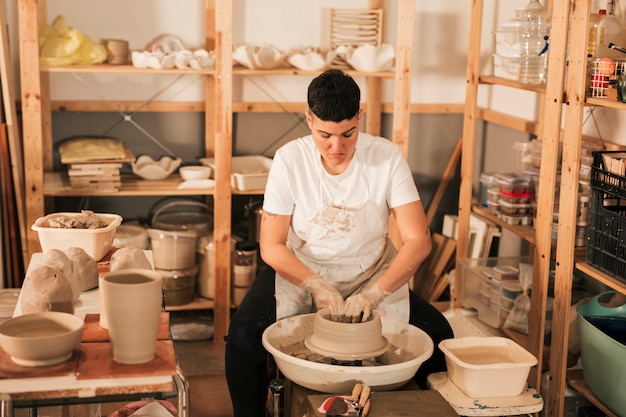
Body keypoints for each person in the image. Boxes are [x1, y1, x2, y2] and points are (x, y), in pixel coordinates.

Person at [225, 69, 454, 417]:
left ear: (360, 116)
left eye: (348, 133)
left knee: (439, 336)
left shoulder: (386, 157)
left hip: (371, 272)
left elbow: (418, 241)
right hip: (303, 272)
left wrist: (375, 293)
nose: (337, 147)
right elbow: (271, 245)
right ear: (309, 119)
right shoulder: (290, 160)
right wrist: (316, 285)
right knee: (243, 337)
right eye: (324, 135)